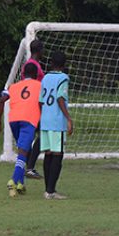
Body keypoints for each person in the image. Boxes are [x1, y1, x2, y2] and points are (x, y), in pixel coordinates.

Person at [0, 62, 42, 197]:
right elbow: (41, 103)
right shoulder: (39, 85)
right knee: (23, 152)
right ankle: (13, 180)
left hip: (13, 120)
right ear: (36, 75)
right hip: (28, 120)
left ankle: (21, 184)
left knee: (25, 151)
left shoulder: (13, 86)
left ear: (23, 74)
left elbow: (1, 100)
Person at [38, 50, 73, 200]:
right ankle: (51, 191)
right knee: (58, 155)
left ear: (51, 63)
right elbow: (60, 98)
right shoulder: (63, 78)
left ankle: (48, 189)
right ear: (64, 65)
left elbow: (40, 101)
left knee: (48, 154)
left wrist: (44, 115)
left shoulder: (45, 77)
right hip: (57, 121)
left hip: (45, 121)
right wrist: (69, 118)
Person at [25, 40, 45, 180]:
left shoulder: (30, 64)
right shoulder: (33, 65)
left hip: (32, 104)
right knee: (42, 134)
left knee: (33, 135)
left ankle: (28, 166)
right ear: (39, 50)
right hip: (34, 105)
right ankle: (30, 167)